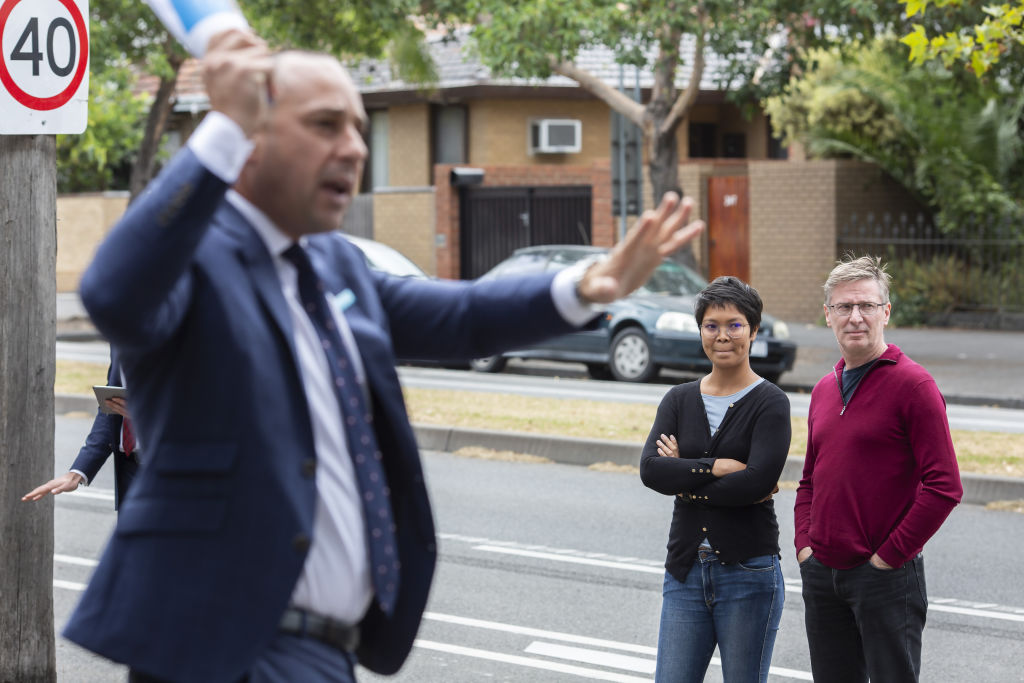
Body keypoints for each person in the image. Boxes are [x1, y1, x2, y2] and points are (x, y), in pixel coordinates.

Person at [62, 30, 705, 683]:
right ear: (251, 140)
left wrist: (583, 288)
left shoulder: (336, 263)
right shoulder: (193, 253)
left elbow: (462, 316)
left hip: (326, 653)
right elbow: (113, 291)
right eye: (324, 125)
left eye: (360, 129)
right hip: (215, 647)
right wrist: (222, 124)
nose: (354, 148)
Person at [794, 255, 963, 682]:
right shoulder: (823, 390)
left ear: (886, 312)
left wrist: (888, 559)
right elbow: (810, 479)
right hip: (822, 575)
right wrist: (805, 547)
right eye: (843, 307)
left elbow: (944, 486)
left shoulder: (914, 386)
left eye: (866, 305)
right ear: (828, 316)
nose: (855, 317)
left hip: (886, 580)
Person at [639, 276, 790, 683]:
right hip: (685, 571)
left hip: (749, 572)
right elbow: (651, 470)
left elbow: (757, 483)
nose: (722, 335)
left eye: (735, 324)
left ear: (754, 330)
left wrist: (684, 473)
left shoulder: (770, 402)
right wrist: (716, 466)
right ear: (701, 330)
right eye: (711, 325)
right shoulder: (678, 399)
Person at [22, 352, 139, 509]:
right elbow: (112, 406)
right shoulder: (121, 338)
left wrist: (148, 414)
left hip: (174, 471)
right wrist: (78, 471)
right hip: (129, 471)